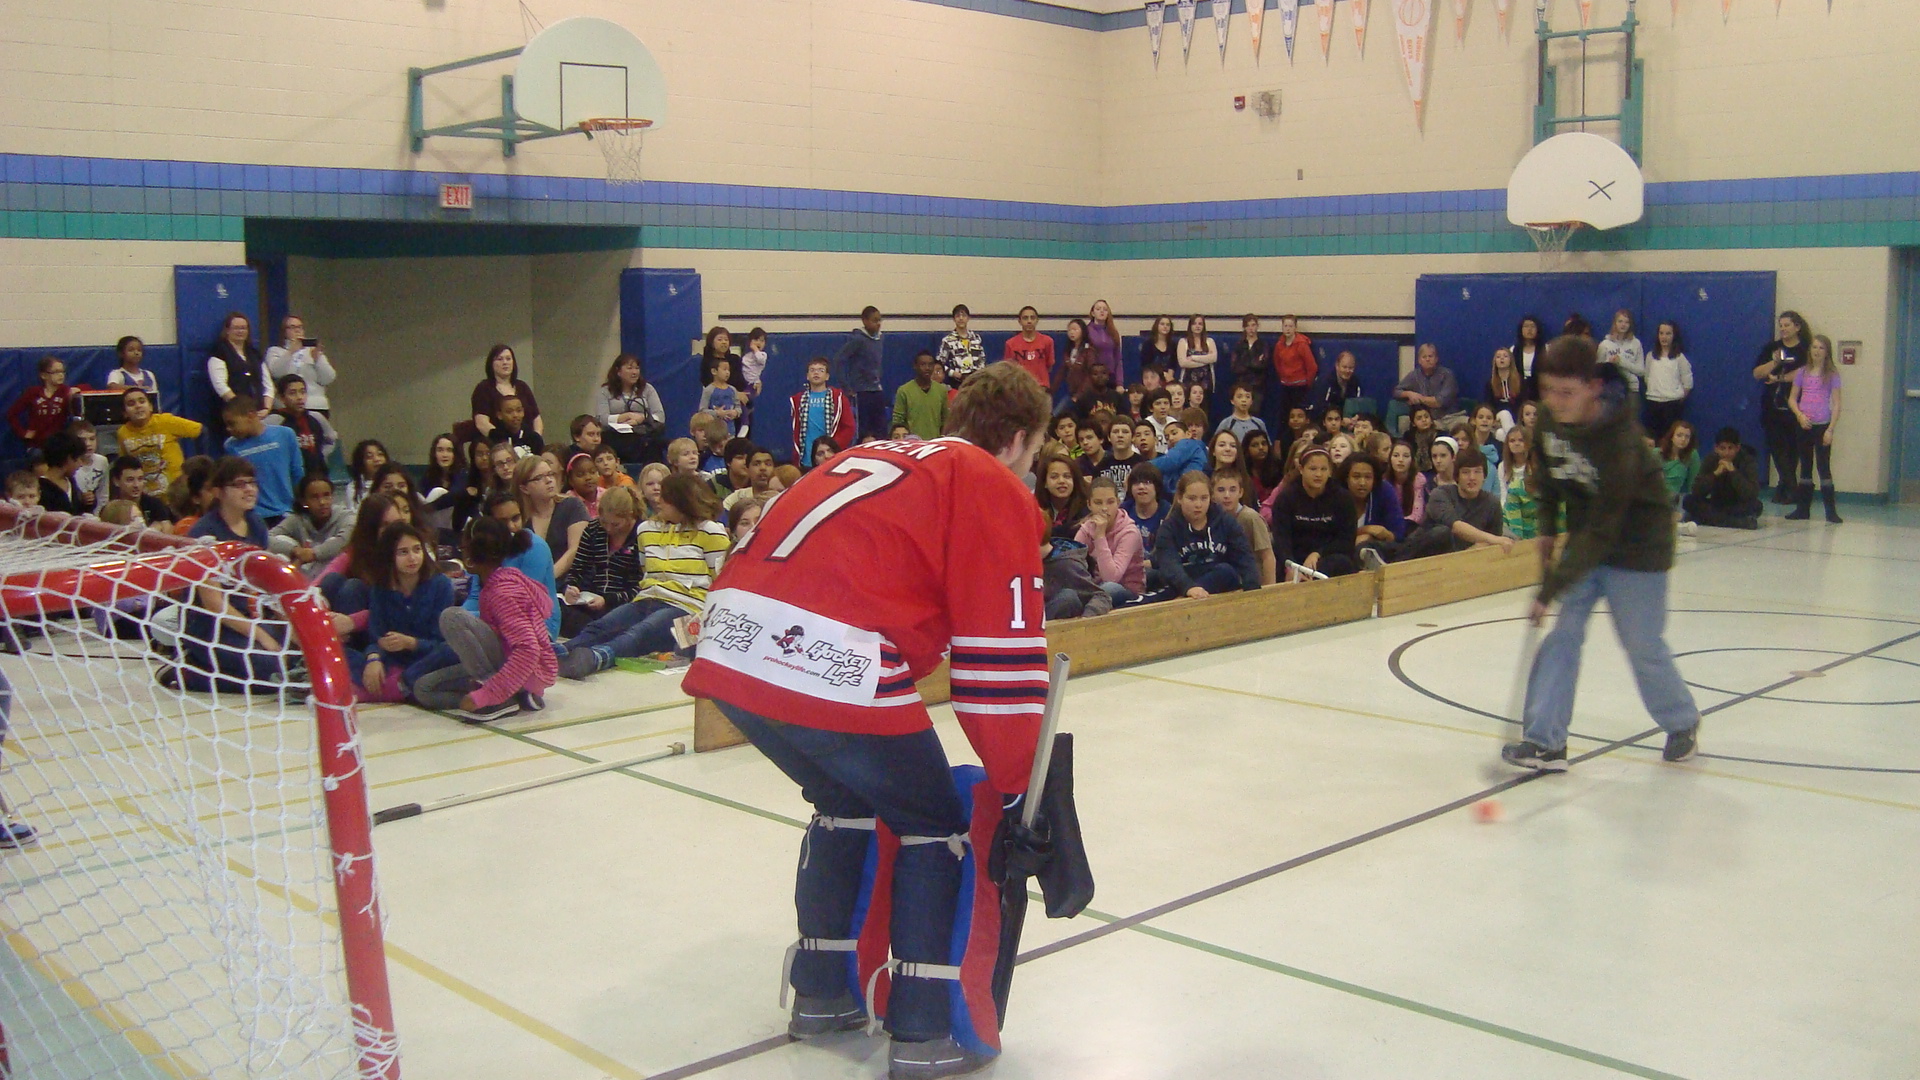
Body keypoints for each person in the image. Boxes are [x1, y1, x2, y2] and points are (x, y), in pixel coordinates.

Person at [677, 361, 1052, 1079]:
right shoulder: (988, 481)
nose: (1030, 467)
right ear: (1014, 439)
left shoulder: (872, 452)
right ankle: (922, 1028)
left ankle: (820, 994)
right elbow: (996, 664)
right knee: (933, 821)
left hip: (728, 640)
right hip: (825, 655)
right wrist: (1017, 787)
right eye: (1034, 452)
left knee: (844, 800)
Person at [1503, 335, 1702, 773]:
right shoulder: (1553, 424)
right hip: (1587, 539)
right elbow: (1551, 485)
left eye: (1566, 392)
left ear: (1593, 386)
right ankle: (1545, 741)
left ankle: (1681, 721)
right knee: (1563, 636)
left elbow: (1605, 526)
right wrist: (1547, 533)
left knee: (1641, 644)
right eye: (1548, 392)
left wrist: (1550, 587)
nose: (1555, 402)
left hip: (1638, 547)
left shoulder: (1621, 442)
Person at [560, 472, 729, 678]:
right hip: (647, 598)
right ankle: (557, 653)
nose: (658, 502)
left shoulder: (711, 531)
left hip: (688, 605)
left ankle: (597, 657)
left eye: (665, 500)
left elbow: (721, 580)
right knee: (603, 625)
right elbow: (645, 572)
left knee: (641, 632)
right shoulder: (647, 530)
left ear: (681, 502)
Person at [411, 516, 556, 723]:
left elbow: (528, 649)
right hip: (505, 665)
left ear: (472, 554)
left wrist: (487, 694)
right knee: (423, 689)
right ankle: (514, 695)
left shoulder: (503, 592)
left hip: (526, 671)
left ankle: (499, 698)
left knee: (451, 617)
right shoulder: (492, 582)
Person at [170, 456, 293, 695]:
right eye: (239, 484)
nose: (249, 489)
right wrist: (263, 637)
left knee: (299, 656)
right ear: (219, 492)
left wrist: (290, 622)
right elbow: (214, 604)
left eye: (252, 483)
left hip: (248, 617)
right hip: (211, 627)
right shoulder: (204, 534)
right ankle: (191, 672)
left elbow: (265, 586)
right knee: (272, 669)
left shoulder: (256, 525)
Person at [352, 522, 456, 703]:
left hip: (427, 660)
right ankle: (392, 686)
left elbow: (441, 641)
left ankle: (399, 685)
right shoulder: (380, 588)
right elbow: (376, 636)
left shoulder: (440, 585)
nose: (413, 558)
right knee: (347, 654)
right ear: (389, 556)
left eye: (417, 550)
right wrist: (373, 658)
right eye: (403, 552)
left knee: (451, 649)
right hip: (393, 660)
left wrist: (411, 643)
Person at [1145, 470, 1260, 601]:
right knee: (1150, 585)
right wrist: (1188, 588)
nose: (1198, 505)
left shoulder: (1226, 522)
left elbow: (1245, 559)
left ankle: (1182, 600)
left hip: (1219, 584)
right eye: (1192, 498)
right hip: (1180, 584)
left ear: (1211, 498)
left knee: (1226, 571)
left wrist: (1253, 592)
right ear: (1180, 498)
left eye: (1204, 498)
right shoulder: (1168, 528)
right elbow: (1169, 564)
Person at [560, 485, 644, 636]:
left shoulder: (643, 535)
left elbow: (642, 586)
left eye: (615, 524)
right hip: (590, 602)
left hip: (624, 605)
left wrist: (608, 600)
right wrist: (571, 586)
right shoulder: (593, 529)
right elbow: (578, 568)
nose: (609, 529)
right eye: (604, 522)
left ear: (630, 515)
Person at [1262, 446, 1357, 578]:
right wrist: (1290, 567)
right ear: (1301, 469)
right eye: (1313, 469)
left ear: (1330, 471)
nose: (1318, 474)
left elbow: (1346, 540)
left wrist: (1318, 554)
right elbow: (1282, 539)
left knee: (1343, 563)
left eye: (1323, 469)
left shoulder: (1343, 498)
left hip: (1326, 556)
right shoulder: (1286, 497)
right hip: (1294, 557)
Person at [1752, 311, 1811, 503]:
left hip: (1796, 407)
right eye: (1781, 325)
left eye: (1787, 325)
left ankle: (1784, 487)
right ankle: (1791, 487)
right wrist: (1775, 362)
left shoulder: (1804, 350)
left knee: (1792, 449)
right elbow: (1757, 373)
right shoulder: (1773, 348)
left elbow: (1805, 373)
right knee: (1777, 448)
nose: (1784, 329)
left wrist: (1780, 378)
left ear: (1797, 327)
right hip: (1772, 407)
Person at [1786, 334, 1844, 524]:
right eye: (1814, 347)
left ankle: (1830, 511)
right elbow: (1792, 399)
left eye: (1821, 348)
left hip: (1822, 426)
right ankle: (1803, 509)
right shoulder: (1802, 372)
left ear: (1827, 352)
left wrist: (1831, 429)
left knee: (1823, 466)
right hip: (1804, 425)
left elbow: (1836, 403)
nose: (1817, 351)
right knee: (1805, 465)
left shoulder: (1832, 375)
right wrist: (1800, 415)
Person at [220, 397, 301, 526]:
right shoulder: (231, 446)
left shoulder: (285, 434)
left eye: (232, 423)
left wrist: (300, 506)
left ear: (251, 416)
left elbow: (297, 473)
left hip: (285, 511)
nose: (228, 429)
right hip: (252, 516)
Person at [514, 454, 590, 581]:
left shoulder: (572, 505)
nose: (549, 480)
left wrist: (547, 578)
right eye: (539, 478)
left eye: (550, 474)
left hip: (573, 583)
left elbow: (575, 549)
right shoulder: (520, 519)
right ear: (524, 488)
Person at [116, 388, 202, 496]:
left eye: (142, 401)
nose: (138, 406)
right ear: (125, 413)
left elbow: (201, 431)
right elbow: (124, 465)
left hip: (176, 495)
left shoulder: (165, 421)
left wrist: (199, 464)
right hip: (146, 495)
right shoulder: (122, 433)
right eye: (131, 404)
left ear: (151, 407)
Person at [1076, 476, 1146, 606]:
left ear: (1118, 503)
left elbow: (1112, 577)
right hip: (1095, 588)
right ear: (1089, 505)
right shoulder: (1086, 529)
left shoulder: (1129, 532)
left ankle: (1088, 618)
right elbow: (1072, 563)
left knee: (1109, 588)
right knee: (1068, 594)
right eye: (1098, 502)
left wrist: (1099, 537)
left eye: (1110, 502)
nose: (1104, 508)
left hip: (1127, 591)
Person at [270, 473, 353, 575]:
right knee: (281, 541)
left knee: (333, 545)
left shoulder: (345, 516)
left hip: (334, 575)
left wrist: (313, 554)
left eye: (326, 495)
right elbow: (268, 537)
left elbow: (343, 541)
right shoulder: (297, 519)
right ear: (304, 501)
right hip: (305, 569)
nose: (322, 502)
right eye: (315, 497)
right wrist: (295, 550)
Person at [595, 353, 667, 468]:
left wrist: (641, 418)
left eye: (637, 368)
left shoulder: (647, 389)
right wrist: (622, 417)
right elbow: (600, 418)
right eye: (629, 368)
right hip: (615, 438)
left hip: (642, 436)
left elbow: (660, 416)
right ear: (618, 371)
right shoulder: (605, 391)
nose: (634, 372)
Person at [1683, 428, 1762, 530]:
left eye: (1730, 448)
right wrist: (1715, 474)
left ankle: (1703, 519)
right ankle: (1736, 523)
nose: (1727, 453)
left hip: (1737, 505)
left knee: (1756, 505)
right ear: (1716, 448)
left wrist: (1733, 473)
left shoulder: (1748, 461)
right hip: (1716, 503)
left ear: (1737, 448)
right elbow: (1696, 490)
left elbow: (1751, 493)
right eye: (1723, 448)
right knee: (1688, 500)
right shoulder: (1710, 459)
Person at [266, 374, 337, 481]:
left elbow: (331, 439)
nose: (299, 397)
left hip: (317, 474)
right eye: (292, 393)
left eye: (303, 392)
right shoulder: (274, 421)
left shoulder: (316, 417)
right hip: (290, 477)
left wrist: (321, 455)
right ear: (282, 397)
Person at [1211, 470, 1275, 585]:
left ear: (1241, 492)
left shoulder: (1250, 518)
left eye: (1232, 490)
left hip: (1253, 584)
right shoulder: (1212, 520)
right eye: (1221, 490)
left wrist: (1270, 589)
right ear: (1213, 495)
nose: (1227, 495)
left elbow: (1268, 556)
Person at [833, 306, 887, 440]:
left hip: (876, 389)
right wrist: (846, 387)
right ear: (865, 321)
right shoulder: (858, 339)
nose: (878, 323)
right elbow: (840, 359)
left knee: (881, 429)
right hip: (862, 391)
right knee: (863, 430)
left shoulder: (880, 338)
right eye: (874, 320)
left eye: (879, 320)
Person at [207, 313, 268, 431]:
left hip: (258, 413)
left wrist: (266, 408)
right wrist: (242, 409)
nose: (240, 331)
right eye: (236, 328)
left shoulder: (254, 353)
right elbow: (220, 386)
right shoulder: (219, 352)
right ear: (227, 330)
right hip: (234, 413)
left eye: (243, 328)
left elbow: (267, 383)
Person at [265, 314, 335, 414]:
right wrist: (291, 351)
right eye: (292, 327)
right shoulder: (275, 351)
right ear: (284, 331)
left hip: (315, 404)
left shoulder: (312, 351)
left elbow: (328, 378)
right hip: (288, 405)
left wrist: (318, 359)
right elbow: (276, 372)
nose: (297, 330)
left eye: (300, 327)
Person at [471, 344, 542, 442]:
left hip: (526, 443)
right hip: (497, 443)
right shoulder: (483, 388)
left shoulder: (522, 387)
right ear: (491, 363)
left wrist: (536, 439)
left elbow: (536, 419)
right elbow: (481, 423)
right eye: (499, 359)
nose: (505, 363)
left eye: (508, 359)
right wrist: (504, 442)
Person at [792, 357, 857, 464]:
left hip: (830, 457)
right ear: (807, 376)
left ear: (827, 376)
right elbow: (797, 430)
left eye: (821, 370)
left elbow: (849, 427)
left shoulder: (838, 398)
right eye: (812, 370)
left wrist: (833, 447)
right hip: (806, 458)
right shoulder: (798, 400)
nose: (816, 373)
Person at [9, 356, 80, 449]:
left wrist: (79, 390)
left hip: (58, 444)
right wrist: (23, 432)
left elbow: (86, 390)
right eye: (56, 372)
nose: (61, 375)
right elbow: (11, 414)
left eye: (62, 371)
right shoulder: (33, 392)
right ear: (43, 375)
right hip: (37, 444)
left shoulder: (65, 391)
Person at [1341, 454, 1406, 554]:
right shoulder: (1337, 495)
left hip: (1381, 549)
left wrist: (1383, 535)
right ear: (1346, 478)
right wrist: (1365, 530)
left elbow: (1398, 534)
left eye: (1368, 477)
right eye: (1356, 477)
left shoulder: (1384, 490)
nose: (1362, 483)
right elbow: (1332, 537)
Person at [1642, 321, 1693, 438]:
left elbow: (1687, 382)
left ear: (1674, 336)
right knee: (1653, 436)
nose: (1664, 337)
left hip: (1672, 405)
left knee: (1670, 437)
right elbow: (1647, 376)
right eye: (1661, 333)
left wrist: (1676, 396)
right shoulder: (1651, 356)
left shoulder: (1679, 357)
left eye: (1668, 334)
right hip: (1653, 402)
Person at [1394, 343, 1461, 426]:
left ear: (1436, 359)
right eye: (1424, 357)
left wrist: (1419, 398)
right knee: (1405, 423)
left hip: (1448, 417)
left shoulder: (1447, 375)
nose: (1427, 359)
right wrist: (1409, 394)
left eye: (1430, 356)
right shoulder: (1414, 375)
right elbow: (1396, 392)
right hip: (1425, 418)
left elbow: (1439, 402)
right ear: (1419, 360)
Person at [894, 351, 950, 441]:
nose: (927, 368)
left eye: (930, 365)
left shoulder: (941, 390)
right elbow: (898, 422)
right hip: (911, 444)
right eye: (923, 365)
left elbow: (945, 419)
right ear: (915, 366)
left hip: (934, 443)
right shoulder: (904, 390)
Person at [1269, 315, 1316, 421]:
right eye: (1285, 326)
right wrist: (1283, 377)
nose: (1288, 328)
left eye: (1290, 326)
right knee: (1285, 416)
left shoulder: (1302, 345)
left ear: (1295, 328)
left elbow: (1312, 366)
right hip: (1286, 386)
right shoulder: (1279, 345)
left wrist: (1307, 383)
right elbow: (1277, 362)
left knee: (1299, 416)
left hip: (1300, 387)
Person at [1035, 449, 1089, 540]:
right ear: (1045, 482)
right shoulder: (1036, 507)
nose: (1061, 481)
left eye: (1067, 476)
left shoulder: (1086, 507)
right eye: (1054, 477)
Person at [1497, 425, 1539, 541]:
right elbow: (1503, 492)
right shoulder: (1502, 466)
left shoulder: (1535, 465)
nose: (1516, 443)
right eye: (1512, 441)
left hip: (1529, 507)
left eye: (1521, 440)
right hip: (1509, 509)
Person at [1597, 309, 1646, 406]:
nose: (1623, 325)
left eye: (1627, 322)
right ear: (1614, 323)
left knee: (1632, 419)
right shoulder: (1605, 344)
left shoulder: (1636, 343)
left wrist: (1621, 362)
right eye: (1620, 321)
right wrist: (1609, 364)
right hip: (1611, 389)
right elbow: (1598, 370)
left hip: (1632, 389)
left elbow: (1641, 371)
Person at [108, 455, 174, 527]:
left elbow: (167, 528)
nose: (136, 485)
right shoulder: (110, 508)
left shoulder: (155, 505)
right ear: (116, 481)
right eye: (130, 480)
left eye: (140, 479)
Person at [64, 419, 110, 514]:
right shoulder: (69, 465)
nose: (88, 444)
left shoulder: (102, 461)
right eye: (83, 440)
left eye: (92, 439)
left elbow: (103, 494)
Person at [1149, 417, 1208, 489]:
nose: (1170, 438)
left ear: (1188, 434)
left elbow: (1171, 461)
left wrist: (1144, 467)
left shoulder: (1188, 443)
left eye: (1174, 433)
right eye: (1167, 438)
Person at [1122, 462, 1168, 552]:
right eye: (1136, 483)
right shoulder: (1123, 511)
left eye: (1147, 482)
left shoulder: (1168, 513)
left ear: (1157, 487)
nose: (1141, 487)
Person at [937, 303, 988, 385]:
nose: (961, 318)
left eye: (963, 316)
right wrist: (953, 373)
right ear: (954, 319)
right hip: (957, 382)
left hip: (976, 381)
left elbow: (982, 359)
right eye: (957, 316)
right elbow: (939, 364)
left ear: (968, 318)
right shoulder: (948, 340)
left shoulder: (976, 338)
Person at [1306, 349, 1362, 424]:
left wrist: (1356, 418)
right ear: (1337, 366)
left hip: (1345, 423)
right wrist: (1340, 420)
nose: (1347, 371)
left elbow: (1358, 405)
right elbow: (1319, 408)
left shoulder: (1355, 382)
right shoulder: (1324, 382)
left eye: (1351, 368)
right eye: (1344, 367)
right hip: (1322, 422)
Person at [1228, 315, 1270, 413]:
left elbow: (1262, 365)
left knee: (1254, 414)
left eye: (1253, 325)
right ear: (1244, 328)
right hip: (1241, 384)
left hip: (1257, 386)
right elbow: (1235, 367)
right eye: (1248, 326)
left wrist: (1246, 363)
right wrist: (1253, 361)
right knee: (1239, 413)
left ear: (1257, 326)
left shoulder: (1263, 345)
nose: (1251, 328)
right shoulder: (1239, 345)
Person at [36, 433, 87, 515]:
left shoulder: (71, 482)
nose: (81, 464)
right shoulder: (41, 489)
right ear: (69, 458)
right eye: (79, 459)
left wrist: (87, 503)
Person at [1656, 420, 1701, 510]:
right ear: (1672, 437)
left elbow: (1691, 485)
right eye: (1679, 435)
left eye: (1687, 437)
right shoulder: (1656, 453)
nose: (1683, 439)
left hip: (1674, 501)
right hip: (1655, 497)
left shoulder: (1692, 455)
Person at [723, 447, 782, 514]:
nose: (763, 468)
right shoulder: (736, 499)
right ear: (747, 469)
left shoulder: (782, 497)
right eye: (756, 464)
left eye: (768, 464)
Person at [106, 336, 161, 404]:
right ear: (121, 353)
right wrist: (138, 389)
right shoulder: (117, 374)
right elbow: (112, 387)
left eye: (139, 350)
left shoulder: (149, 374)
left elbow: (155, 398)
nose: (136, 353)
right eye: (131, 350)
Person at [698, 355, 744, 438]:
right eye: (724, 369)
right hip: (713, 432)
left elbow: (738, 407)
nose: (727, 372)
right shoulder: (709, 390)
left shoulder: (732, 389)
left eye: (729, 370)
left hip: (730, 431)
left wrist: (735, 412)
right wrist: (717, 413)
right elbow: (702, 410)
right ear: (714, 371)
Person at [1484, 348, 1527, 429]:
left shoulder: (1520, 381)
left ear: (1511, 360)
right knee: (1504, 414)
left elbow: (1524, 403)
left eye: (1505, 356)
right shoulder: (1490, 384)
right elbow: (1489, 406)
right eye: (1498, 357)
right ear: (1495, 362)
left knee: (1500, 434)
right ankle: (1514, 435)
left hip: (1517, 418)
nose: (1502, 358)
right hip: (1498, 419)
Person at [1386, 439, 1423, 526]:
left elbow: (1417, 515)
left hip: (1411, 526)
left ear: (1412, 460)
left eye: (1406, 456)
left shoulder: (1418, 479)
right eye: (1396, 455)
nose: (1401, 460)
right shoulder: (1384, 481)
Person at [1175, 314, 1216, 392]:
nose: (1197, 326)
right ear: (1190, 326)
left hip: (1206, 382)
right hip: (1188, 381)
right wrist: (1206, 360)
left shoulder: (1210, 341)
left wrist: (1193, 358)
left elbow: (1213, 358)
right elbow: (1183, 363)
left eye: (1200, 324)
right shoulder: (1183, 341)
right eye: (1194, 323)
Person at [345, 439, 389, 506]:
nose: (377, 459)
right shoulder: (353, 488)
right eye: (369, 457)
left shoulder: (393, 482)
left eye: (380, 454)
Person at [1060, 318, 1095, 399]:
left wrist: (1079, 395)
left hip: (1086, 394)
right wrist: (1051, 390)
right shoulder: (1068, 350)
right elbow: (1061, 372)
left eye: (1075, 329)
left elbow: (1090, 375)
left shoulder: (1088, 351)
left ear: (1082, 331)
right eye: (1069, 330)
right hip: (1072, 392)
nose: (1072, 332)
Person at [1514, 314, 1547, 396]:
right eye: (1526, 326)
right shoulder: (1514, 350)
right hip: (1519, 390)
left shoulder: (1545, 349)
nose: (1529, 329)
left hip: (1540, 390)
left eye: (1532, 326)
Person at [740, 328, 770, 406]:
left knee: (744, 402)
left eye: (762, 341)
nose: (759, 343)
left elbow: (759, 359)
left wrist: (755, 348)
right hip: (743, 382)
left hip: (752, 384)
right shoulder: (747, 355)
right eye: (756, 340)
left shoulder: (763, 355)